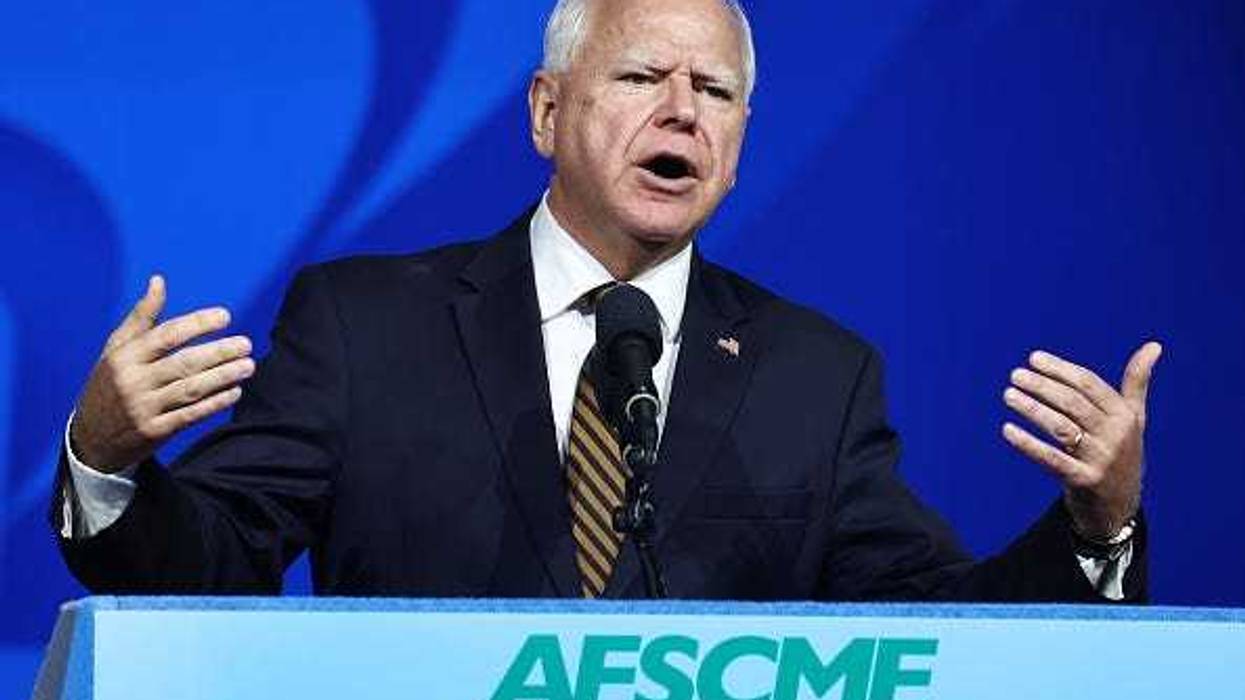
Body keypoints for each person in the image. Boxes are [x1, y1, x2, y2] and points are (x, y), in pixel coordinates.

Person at [53, 0, 1160, 601]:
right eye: (640, 78)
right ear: (545, 112)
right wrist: (106, 463)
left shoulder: (818, 375)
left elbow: (934, 631)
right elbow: (210, 564)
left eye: (714, 92)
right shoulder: (364, 325)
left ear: (736, 148)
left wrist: (1094, 526)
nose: (681, 111)